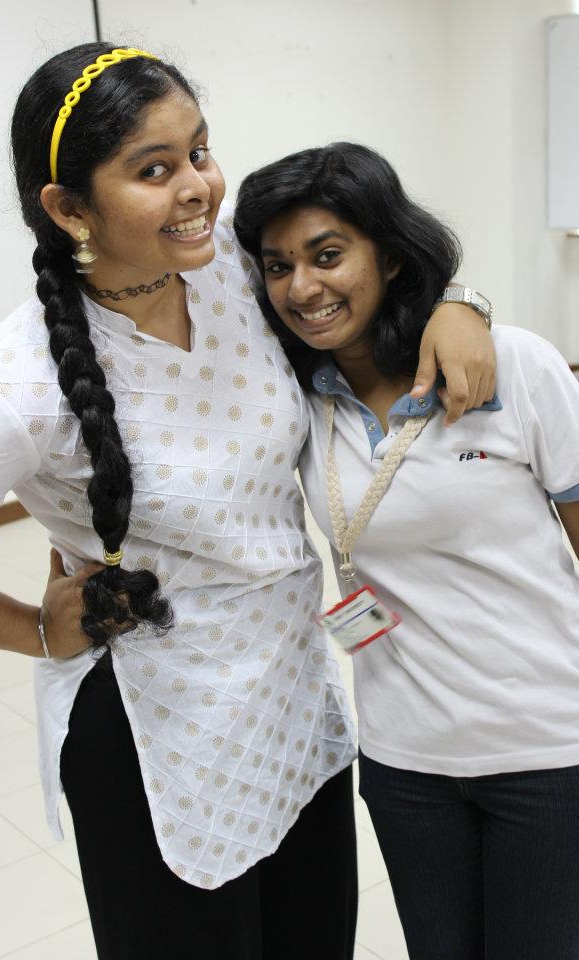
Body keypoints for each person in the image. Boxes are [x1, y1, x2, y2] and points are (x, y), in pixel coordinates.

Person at [0, 46, 494, 960]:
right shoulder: (11, 384)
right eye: (154, 170)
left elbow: (375, 270)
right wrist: (33, 631)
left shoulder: (236, 268)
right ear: (69, 209)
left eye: (199, 152)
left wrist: (462, 303)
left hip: (291, 701)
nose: (198, 186)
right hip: (158, 738)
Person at [233, 141, 579, 960]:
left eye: (327, 255)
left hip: (546, 749)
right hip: (404, 761)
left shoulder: (512, 366)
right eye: (279, 267)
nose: (302, 288)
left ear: (388, 256)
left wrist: (463, 303)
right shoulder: (297, 400)